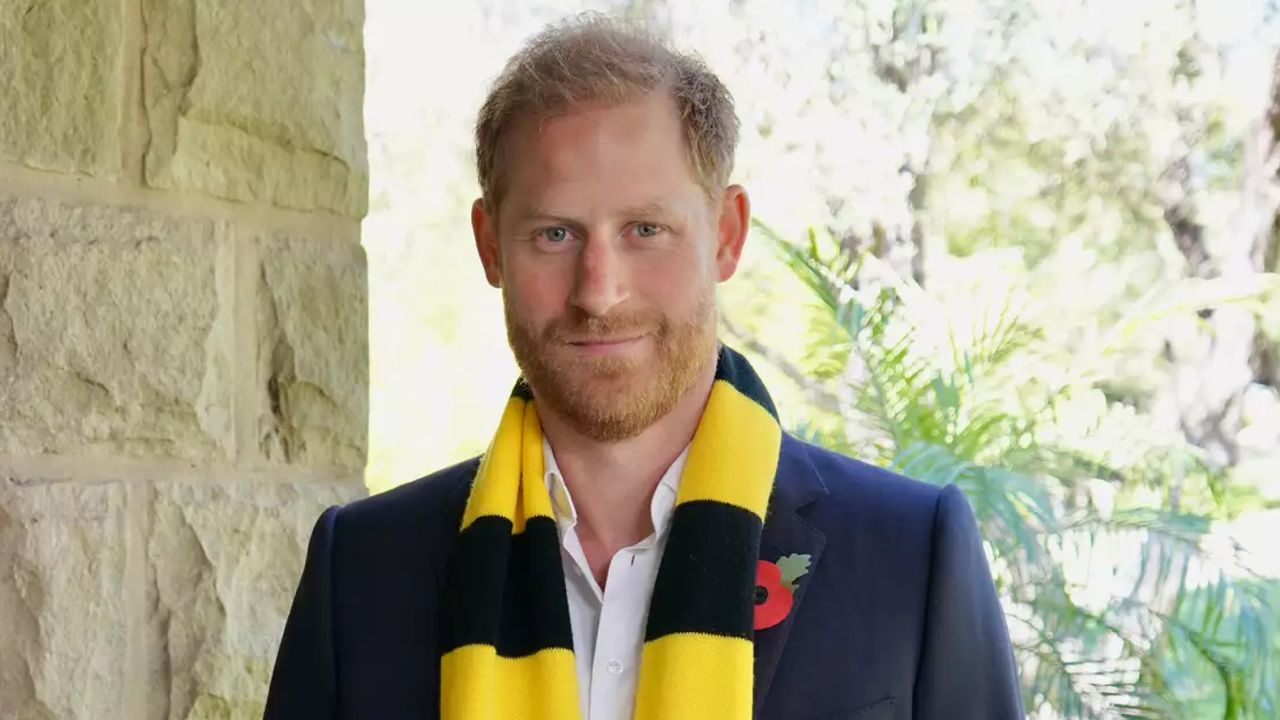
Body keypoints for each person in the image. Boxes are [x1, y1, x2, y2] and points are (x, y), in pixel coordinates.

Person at [264, 14, 1022, 720]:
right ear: (490, 246)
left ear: (725, 236)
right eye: (555, 234)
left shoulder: (910, 557)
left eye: (646, 229)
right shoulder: (360, 570)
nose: (600, 291)